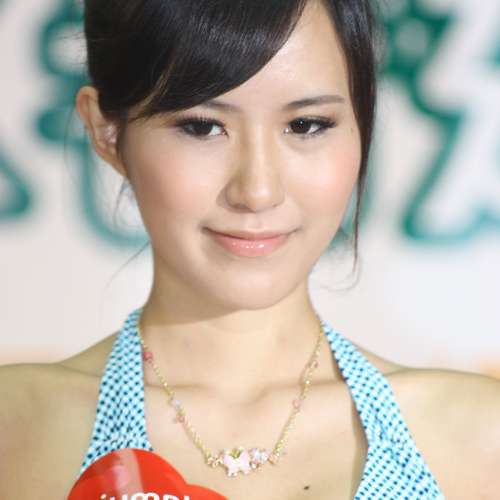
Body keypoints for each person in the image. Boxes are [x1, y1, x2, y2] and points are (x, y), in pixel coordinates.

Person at [1, 0, 499, 498]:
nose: (258, 191)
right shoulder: (17, 429)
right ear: (107, 132)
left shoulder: (477, 439)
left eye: (306, 125)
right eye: (202, 126)